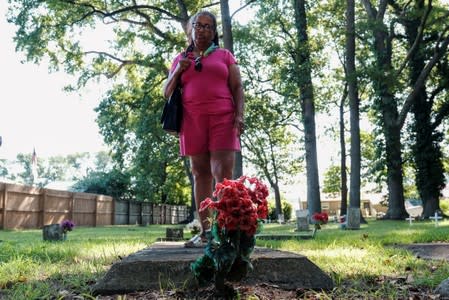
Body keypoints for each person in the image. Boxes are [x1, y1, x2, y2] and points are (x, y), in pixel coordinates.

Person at [162, 10, 245, 247]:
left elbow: (237, 87)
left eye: (209, 26)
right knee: (200, 173)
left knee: (223, 176)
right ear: (190, 28)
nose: (203, 30)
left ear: (215, 31)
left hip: (223, 118)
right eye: (199, 25)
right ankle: (207, 232)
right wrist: (179, 70)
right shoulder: (180, 58)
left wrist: (239, 115)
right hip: (192, 120)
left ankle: (225, 232)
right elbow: (166, 92)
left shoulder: (225, 56)